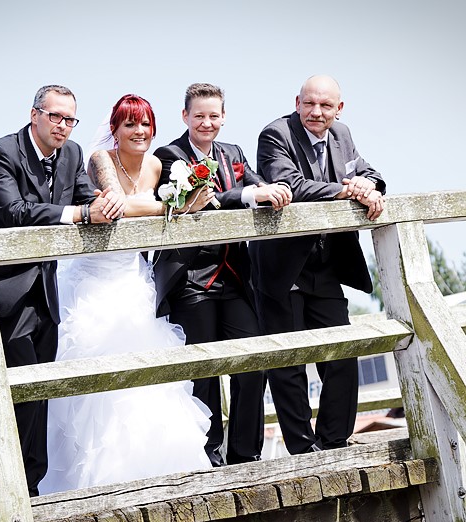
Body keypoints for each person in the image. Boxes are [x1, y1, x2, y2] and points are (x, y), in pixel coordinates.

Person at [39, 94, 215, 493]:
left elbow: (138, 206)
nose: (140, 132)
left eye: (146, 125)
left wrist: (177, 203)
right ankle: (99, 481)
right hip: (96, 280)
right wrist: (174, 205)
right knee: (100, 374)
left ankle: (160, 472)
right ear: (114, 130)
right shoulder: (100, 160)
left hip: (135, 280)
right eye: (130, 125)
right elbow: (113, 205)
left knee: (150, 377)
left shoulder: (156, 165)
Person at [0, 84, 125, 496]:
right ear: (34, 113)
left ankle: (33, 486)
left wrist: (101, 204)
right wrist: (80, 212)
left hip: (45, 291)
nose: (63, 126)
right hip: (4, 293)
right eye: (55, 116)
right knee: (15, 396)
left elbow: (80, 195)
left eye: (70, 119)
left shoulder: (72, 153)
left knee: (40, 393)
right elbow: (14, 212)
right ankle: (10, 489)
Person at [153, 83, 292, 467]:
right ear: (185, 116)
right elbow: (203, 201)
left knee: (253, 359)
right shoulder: (169, 156)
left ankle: (244, 454)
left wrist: (270, 189)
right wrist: (250, 196)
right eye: (199, 115)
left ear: (224, 116)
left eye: (214, 115)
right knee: (204, 372)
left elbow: (253, 183)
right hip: (191, 280)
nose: (207, 122)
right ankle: (209, 455)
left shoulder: (233, 153)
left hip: (233, 278)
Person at [249, 74, 386, 455]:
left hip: (327, 264)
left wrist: (368, 187)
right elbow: (289, 184)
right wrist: (346, 190)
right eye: (310, 103)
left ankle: (334, 441)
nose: (316, 112)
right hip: (282, 266)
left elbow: (369, 172)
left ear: (338, 109)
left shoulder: (342, 134)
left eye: (326, 106)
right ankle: (302, 449)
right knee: (288, 362)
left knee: (342, 351)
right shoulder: (275, 134)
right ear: (297, 102)